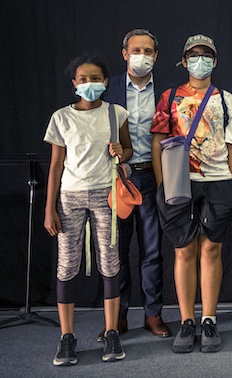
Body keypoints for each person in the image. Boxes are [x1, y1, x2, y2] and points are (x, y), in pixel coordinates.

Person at [151, 34, 232, 354]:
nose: (199, 60)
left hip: (218, 181)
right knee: (184, 250)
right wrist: (163, 184)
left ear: (214, 61)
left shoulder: (227, 100)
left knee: (210, 251)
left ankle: (209, 318)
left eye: (206, 55)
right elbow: (157, 141)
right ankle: (187, 320)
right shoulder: (169, 97)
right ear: (184, 60)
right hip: (179, 181)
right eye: (193, 55)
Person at [44, 53, 132, 365]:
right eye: (83, 79)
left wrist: (122, 151)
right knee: (67, 264)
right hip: (70, 197)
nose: (90, 84)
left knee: (110, 262)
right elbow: (55, 167)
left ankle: (111, 332)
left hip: (106, 194)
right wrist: (49, 208)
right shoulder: (61, 118)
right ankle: (67, 336)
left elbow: (128, 150)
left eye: (96, 79)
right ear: (74, 84)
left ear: (106, 82)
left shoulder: (116, 113)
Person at [101, 28, 172, 342]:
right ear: (125, 54)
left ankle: (152, 313)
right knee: (116, 250)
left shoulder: (170, 92)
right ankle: (117, 315)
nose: (142, 55)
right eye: (136, 50)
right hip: (118, 178)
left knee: (152, 250)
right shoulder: (109, 88)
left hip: (154, 176)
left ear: (156, 56)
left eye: (148, 50)